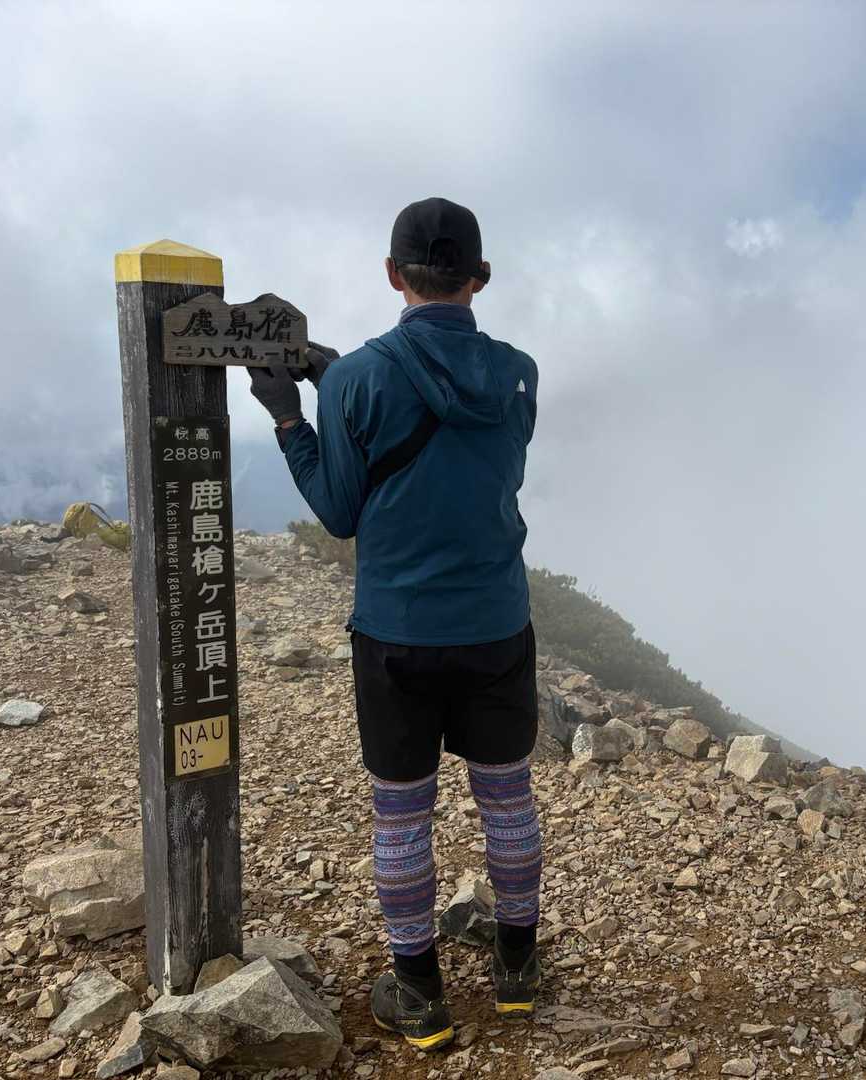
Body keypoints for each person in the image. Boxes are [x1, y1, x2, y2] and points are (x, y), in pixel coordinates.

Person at [248, 197, 542, 1051]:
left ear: (392, 274)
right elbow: (478, 462)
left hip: (397, 633)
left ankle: (419, 995)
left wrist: (293, 418)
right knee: (507, 799)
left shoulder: (356, 380)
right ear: (479, 278)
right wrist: (339, 380)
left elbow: (340, 512)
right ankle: (517, 974)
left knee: (403, 816)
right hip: (496, 623)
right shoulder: (520, 372)